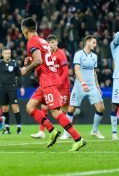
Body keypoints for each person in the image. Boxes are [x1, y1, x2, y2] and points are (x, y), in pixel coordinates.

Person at [20, 17, 85, 151]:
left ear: (25, 30)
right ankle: (52, 130)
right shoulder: (43, 41)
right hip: (46, 80)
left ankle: (78, 139)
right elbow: (42, 59)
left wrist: (26, 69)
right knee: (30, 107)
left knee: (56, 112)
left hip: (48, 80)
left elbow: (38, 61)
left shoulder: (31, 41)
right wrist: (30, 59)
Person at [61, 35, 105, 139]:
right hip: (79, 86)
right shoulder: (78, 54)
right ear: (88, 42)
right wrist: (83, 83)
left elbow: (94, 72)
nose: (95, 44)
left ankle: (94, 130)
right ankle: (66, 133)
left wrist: (98, 87)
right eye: (93, 42)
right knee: (71, 109)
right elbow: (77, 70)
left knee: (101, 108)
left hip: (92, 86)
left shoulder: (94, 56)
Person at [31, 34, 71, 139]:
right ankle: (41, 131)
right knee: (44, 106)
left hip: (62, 86)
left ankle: (68, 132)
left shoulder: (61, 53)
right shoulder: (46, 54)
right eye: (49, 42)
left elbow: (66, 71)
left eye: (53, 42)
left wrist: (59, 83)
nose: (51, 44)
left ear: (57, 42)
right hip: (51, 84)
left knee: (64, 110)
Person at [0, 47, 25, 134]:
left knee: (15, 107)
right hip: (2, 87)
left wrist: (21, 86)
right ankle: (7, 129)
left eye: (9, 53)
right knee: (4, 109)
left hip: (12, 87)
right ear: (2, 54)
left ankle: (19, 128)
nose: (7, 55)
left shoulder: (14, 63)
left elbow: (19, 75)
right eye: (6, 53)